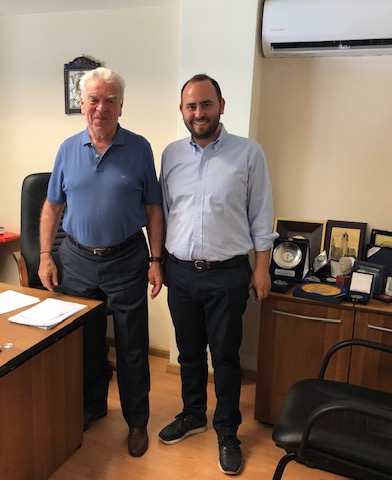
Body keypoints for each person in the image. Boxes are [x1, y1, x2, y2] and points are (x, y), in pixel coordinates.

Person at [38, 67, 164, 458]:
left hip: (127, 259)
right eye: (94, 99)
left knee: (131, 345)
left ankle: (137, 421)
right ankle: (92, 406)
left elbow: (154, 208)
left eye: (110, 100)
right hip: (76, 259)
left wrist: (156, 259)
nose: (101, 108)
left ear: (121, 106)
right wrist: (45, 256)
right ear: (82, 104)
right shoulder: (67, 149)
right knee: (85, 343)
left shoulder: (139, 148)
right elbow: (52, 206)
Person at [158, 74, 277, 475]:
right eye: (191, 106)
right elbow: (165, 212)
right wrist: (159, 262)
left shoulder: (248, 153)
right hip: (180, 273)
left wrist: (261, 268)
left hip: (228, 275)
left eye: (206, 104)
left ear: (221, 106)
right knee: (188, 353)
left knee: (225, 358)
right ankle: (194, 415)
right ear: (182, 110)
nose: (199, 113)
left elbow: (261, 214)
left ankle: (227, 431)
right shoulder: (171, 155)